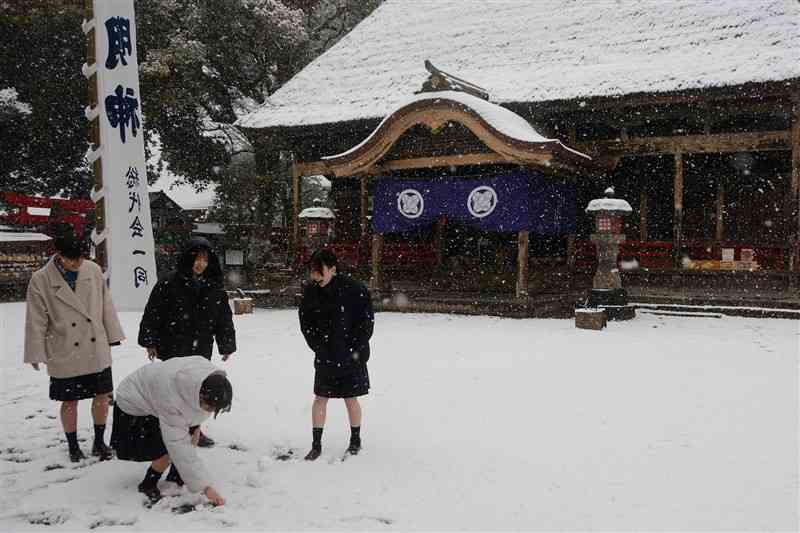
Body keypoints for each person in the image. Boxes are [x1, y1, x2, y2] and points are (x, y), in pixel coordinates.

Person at [23, 226, 125, 462]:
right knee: (69, 400)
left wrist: (112, 335)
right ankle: (72, 445)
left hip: (94, 346)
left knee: (102, 396)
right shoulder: (41, 279)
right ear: (58, 254)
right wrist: (35, 352)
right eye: (72, 259)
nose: (77, 263)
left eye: (81, 258)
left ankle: (99, 442)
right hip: (64, 346)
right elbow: (36, 319)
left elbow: (105, 305)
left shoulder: (93, 269)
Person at [138, 236, 236, 447]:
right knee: (170, 391)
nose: (200, 264)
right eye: (196, 258)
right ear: (187, 258)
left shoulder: (215, 288)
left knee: (199, 391)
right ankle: (165, 430)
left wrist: (226, 345)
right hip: (173, 345)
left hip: (200, 348)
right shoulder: (168, 283)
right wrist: (150, 341)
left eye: (205, 259)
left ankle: (194, 431)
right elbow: (153, 313)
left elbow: (223, 318)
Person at [111, 356, 231, 505]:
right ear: (201, 396)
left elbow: (193, 425)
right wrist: (205, 488)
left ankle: (177, 475)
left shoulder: (205, 382)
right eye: (211, 408)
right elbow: (177, 445)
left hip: (156, 394)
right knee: (167, 448)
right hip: (133, 403)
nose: (212, 412)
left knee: (192, 432)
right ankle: (148, 483)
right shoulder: (171, 398)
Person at [298, 249, 374, 461]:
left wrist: (354, 349)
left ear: (333, 269)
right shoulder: (311, 292)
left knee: (351, 398)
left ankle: (356, 440)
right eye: (313, 271)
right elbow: (306, 324)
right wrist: (318, 346)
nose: (315, 276)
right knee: (320, 398)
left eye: (319, 271)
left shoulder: (355, 289)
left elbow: (366, 323)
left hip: (352, 356)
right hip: (325, 354)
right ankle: (316, 444)